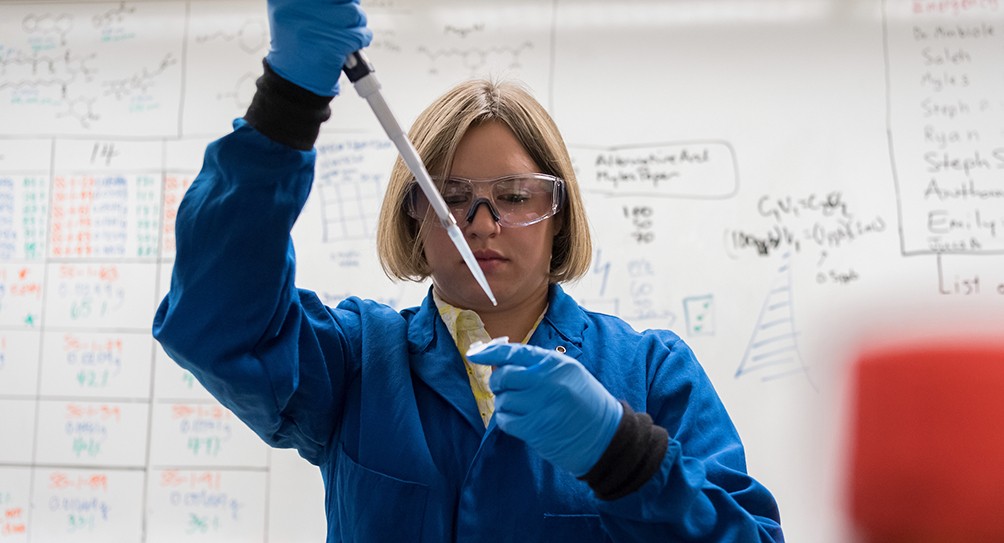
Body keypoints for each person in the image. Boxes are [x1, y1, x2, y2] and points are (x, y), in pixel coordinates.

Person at [152, 0, 784, 541]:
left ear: (559, 214)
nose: (481, 224)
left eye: (514, 196)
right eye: (450, 197)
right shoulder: (357, 361)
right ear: (413, 219)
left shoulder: (649, 374)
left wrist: (623, 455)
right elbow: (215, 322)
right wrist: (287, 102)